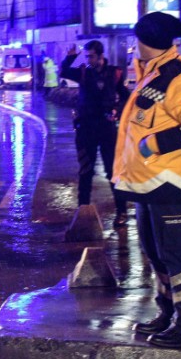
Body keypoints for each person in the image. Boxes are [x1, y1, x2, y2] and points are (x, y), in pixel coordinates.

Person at [114, 12, 181, 348]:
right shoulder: (153, 73)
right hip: (149, 184)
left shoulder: (178, 77)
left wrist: (153, 144)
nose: (133, 47)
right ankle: (168, 311)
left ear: (145, 41)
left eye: (135, 41)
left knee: (178, 256)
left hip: (170, 182)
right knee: (157, 254)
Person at [60, 40, 128, 226]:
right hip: (86, 128)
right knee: (85, 171)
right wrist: (70, 56)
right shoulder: (83, 72)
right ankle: (83, 211)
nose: (88, 59)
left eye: (91, 56)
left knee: (112, 172)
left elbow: (125, 96)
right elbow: (64, 72)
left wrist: (117, 111)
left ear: (100, 55)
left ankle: (121, 212)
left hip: (106, 128)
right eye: (86, 56)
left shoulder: (115, 73)